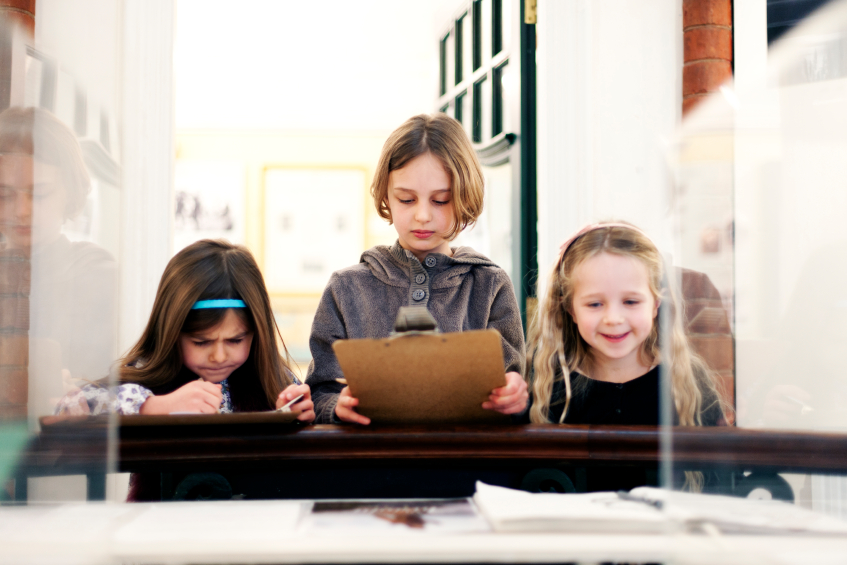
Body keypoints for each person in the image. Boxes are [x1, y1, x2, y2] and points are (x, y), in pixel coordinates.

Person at [306, 113, 527, 424]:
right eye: (407, 200)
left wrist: (516, 398)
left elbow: (515, 390)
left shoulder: (490, 284)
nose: (422, 215)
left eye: (440, 201)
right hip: (370, 465)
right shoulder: (346, 287)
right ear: (386, 195)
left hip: (463, 463)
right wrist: (335, 406)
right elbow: (317, 394)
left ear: (465, 197)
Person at [526, 222, 727, 490]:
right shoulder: (547, 381)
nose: (613, 319)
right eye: (595, 304)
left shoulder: (687, 380)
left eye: (631, 302)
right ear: (570, 309)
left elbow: (719, 479)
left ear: (656, 303)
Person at [55, 238, 314, 420]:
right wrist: (155, 406)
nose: (219, 356)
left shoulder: (275, 381)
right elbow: (73, 405)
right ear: (171, 333)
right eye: (201, 342)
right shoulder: (145, 375)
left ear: (257, 333)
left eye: (235, 340)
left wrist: (292, 416)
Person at [0, 106, 118, 417]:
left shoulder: (95, 271)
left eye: (39, 194)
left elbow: (102, 382)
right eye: (4, 195)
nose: (21, 211)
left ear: (70, 191)